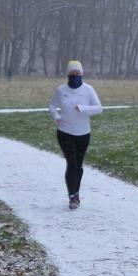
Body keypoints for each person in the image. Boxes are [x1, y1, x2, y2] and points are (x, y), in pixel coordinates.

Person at [48, 60, 103, 209]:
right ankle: (72, 196)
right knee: (71, 163)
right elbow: (52, 105)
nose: (74, 76)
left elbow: (99, 108)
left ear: (81, 74)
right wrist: (56, 116)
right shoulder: (61, 90)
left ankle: (76, 192)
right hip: (65, 132)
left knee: (78, 165)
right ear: (68, 74)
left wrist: (84, 108)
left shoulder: (88, 90)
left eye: (77, 73)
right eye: (72, 73)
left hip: (83, 133)